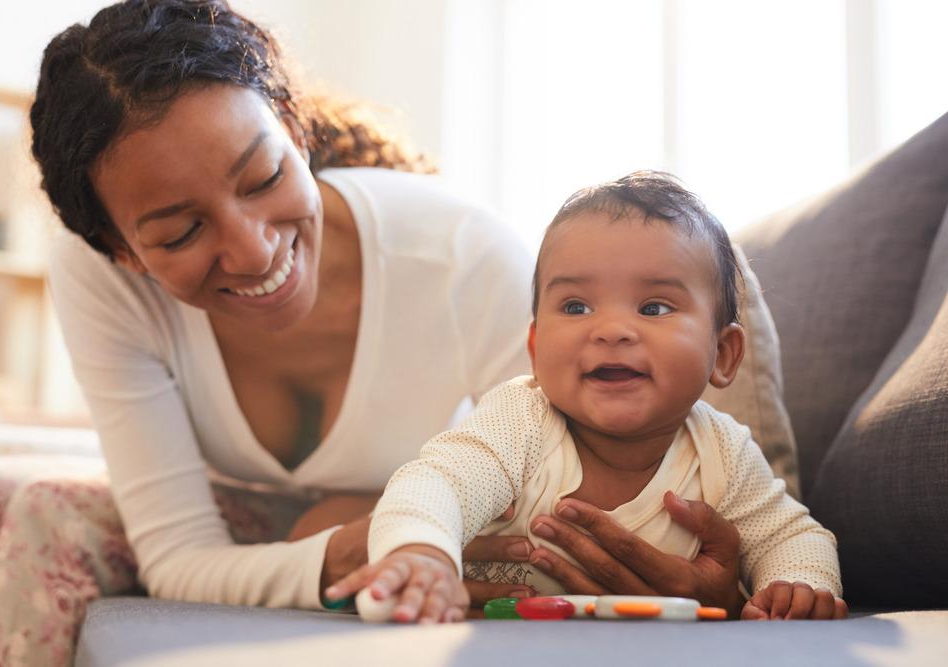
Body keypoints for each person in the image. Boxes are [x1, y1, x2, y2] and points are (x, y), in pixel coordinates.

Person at [0, 2, 775, 665]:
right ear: (122, 252)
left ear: (296, 133)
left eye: (265, 177)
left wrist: (712, 575)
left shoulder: (460, 256)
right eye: (176, 233)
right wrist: (350, 538)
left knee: (41, 506)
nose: (252, 247)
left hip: (448, 520)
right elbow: (178, 552)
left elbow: (573, 501)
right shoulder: (94, 273)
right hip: (337, 529)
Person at [327, 172, 849, 624]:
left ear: (723, 354)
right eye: (576, 307)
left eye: (654, 307)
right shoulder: (520, 421)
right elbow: (436, 483)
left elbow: (792, 533)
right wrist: (421, 553)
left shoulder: (723, 454)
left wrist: (796, 584)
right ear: (535, 347)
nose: (612, 329)